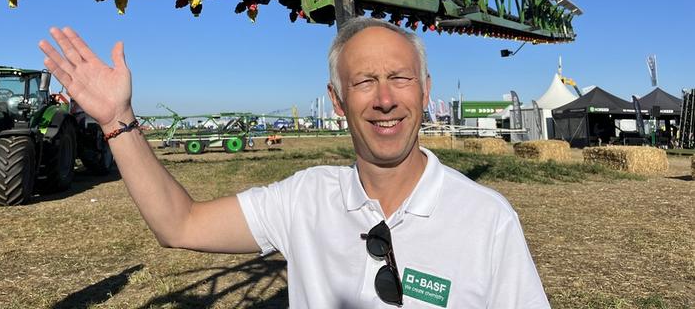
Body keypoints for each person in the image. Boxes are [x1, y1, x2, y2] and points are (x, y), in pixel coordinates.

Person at [39, 18, 549, 308]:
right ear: (337, 100)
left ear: (427, 89)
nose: (386, 99)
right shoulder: (304, 199)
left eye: (401, 78)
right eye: (364, 82)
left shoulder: (487, 219)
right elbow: (180, 223)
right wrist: (119, 122)